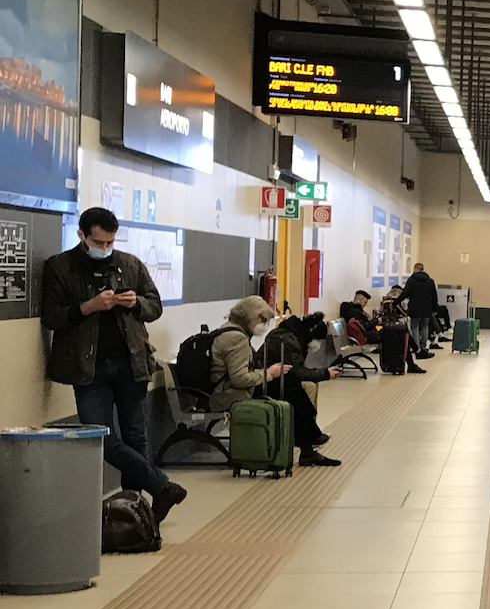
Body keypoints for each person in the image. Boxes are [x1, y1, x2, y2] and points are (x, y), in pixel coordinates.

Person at [39, 207, 189, 525]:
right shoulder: (61, 267)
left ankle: (136, 504)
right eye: (98, 241)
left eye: (110, 242)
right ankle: (161, 485)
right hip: (87, 365)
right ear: (81, 235)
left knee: (136, 434)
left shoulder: (129, 264)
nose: (104, 248)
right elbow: (52, 317)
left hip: (131, 360)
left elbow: (155, 306)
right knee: (100, 434)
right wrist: (89, 307)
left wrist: (136, 303)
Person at [210, 296, 341, 467]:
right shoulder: (236, 338)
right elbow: (240, 378)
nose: (264, 325)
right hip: (227, 394)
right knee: (289, 389)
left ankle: (309, 444)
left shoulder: (231, 331)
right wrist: (269, 373)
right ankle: (309, 444)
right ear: (250, 316)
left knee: (290, 386)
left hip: (225, 388)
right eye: (262, 319)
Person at [404, 262, 440, 357]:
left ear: (415, 269)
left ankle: (417, 348)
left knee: (415, 327)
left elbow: (405, 293)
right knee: (425, 327)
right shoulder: (430, 281)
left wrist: (394, 303)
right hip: (426, 308)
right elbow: (434, 296)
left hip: (414, 308)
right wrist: (434, 308)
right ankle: (424, 347)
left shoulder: (411, 280)